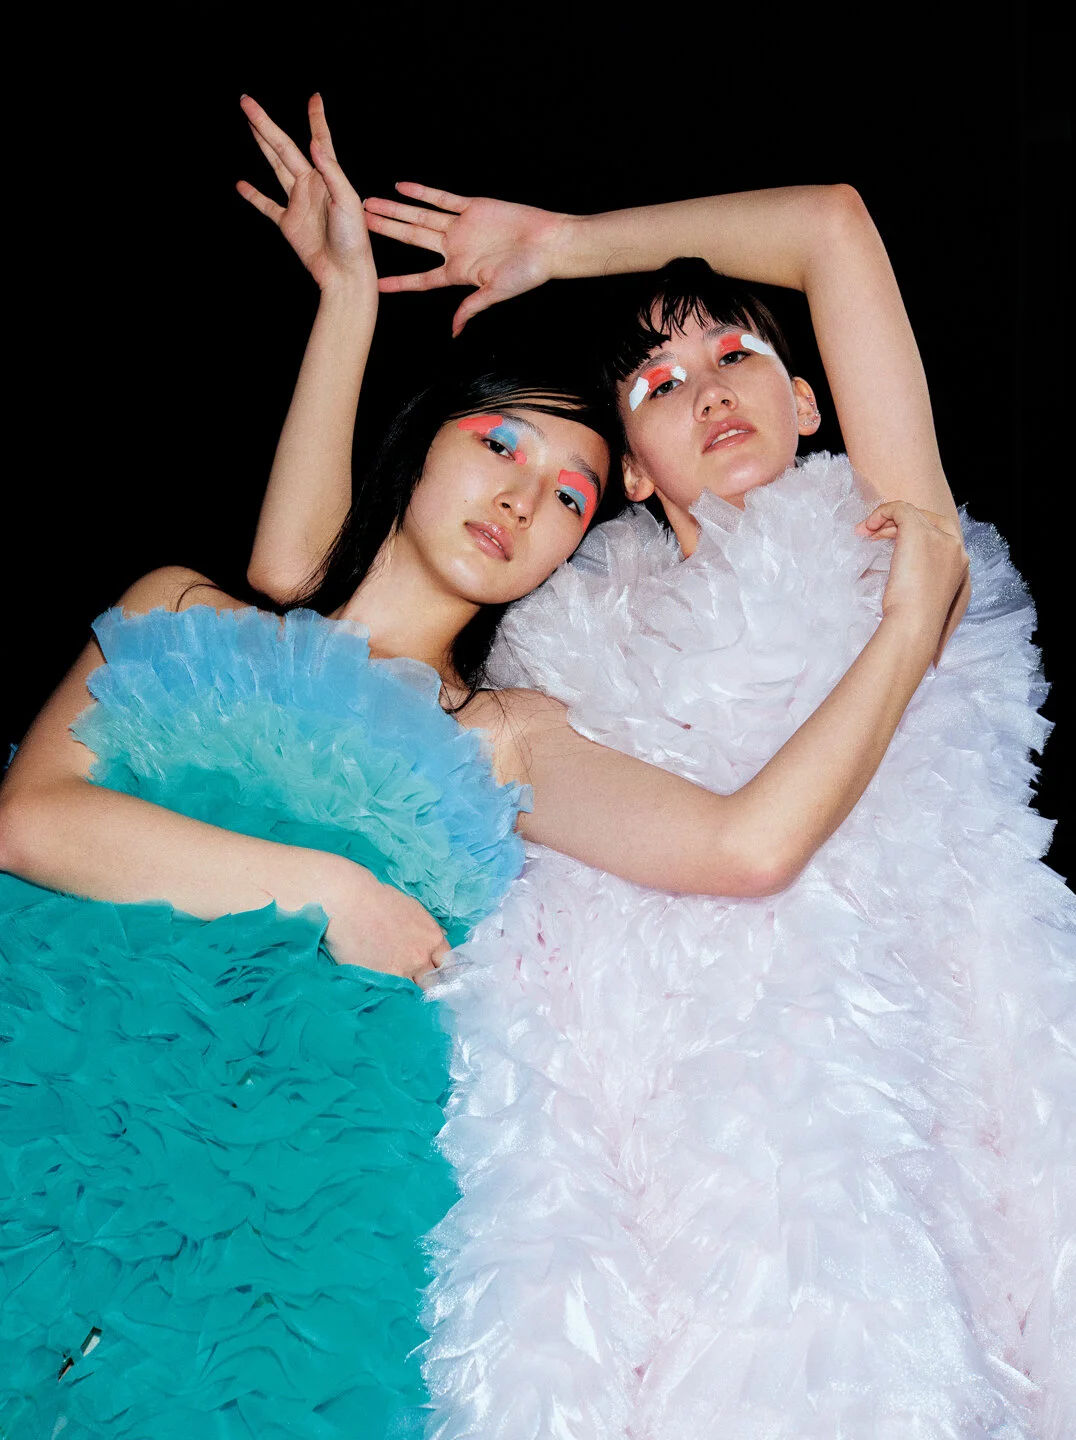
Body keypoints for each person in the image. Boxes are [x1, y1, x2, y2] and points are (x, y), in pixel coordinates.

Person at [0, 100, 967, 1440]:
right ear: (425, 444)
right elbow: (31, 820)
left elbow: (745, 848)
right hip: (47, 1108)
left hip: (290, 1230)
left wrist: (913, 625)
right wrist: (328, 892)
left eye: (571, 493)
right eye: (501, 443)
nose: (524, 497)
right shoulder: (182, 611)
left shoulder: (508, 735)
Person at [255, 167, 1076, 1435]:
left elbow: (831, 224)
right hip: (660, 1183)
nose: (707, 390)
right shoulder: (554, 658)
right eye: (656, 385)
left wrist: (562, 245)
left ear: (807, 400)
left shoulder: (890, 554)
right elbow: (321, 596)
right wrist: (350, 305)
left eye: (736, 355)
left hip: (905, 1134)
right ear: (632, 472)